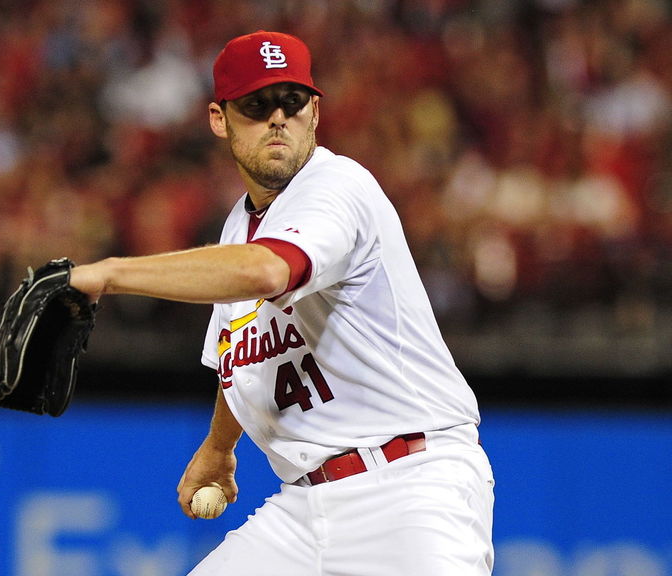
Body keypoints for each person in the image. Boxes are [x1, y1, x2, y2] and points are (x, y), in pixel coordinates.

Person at [70, 30, 495, 576]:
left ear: (314, 113)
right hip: (305, 505)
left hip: (410, 487)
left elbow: (267, 271)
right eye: (256, 104)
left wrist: (108, 274)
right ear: (219, 119)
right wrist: (220, 446)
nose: (278, 117)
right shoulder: (236, 231)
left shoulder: (337, 188)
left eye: (291, 102)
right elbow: (238, 350)